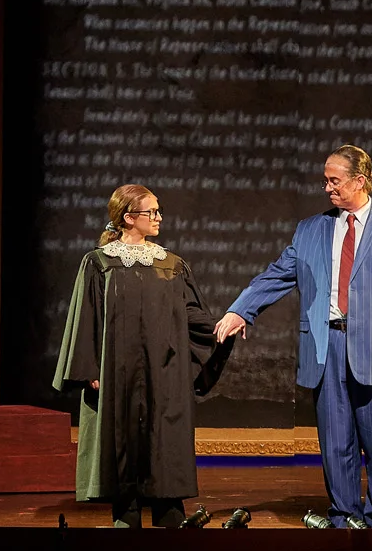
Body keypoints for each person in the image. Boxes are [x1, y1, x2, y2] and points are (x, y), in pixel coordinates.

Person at [214, 145, 372, 528]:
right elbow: (276, 275)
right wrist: (239, 309)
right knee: (335, 445)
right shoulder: (312, 228)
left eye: (335, 180)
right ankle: (344, 519)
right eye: (325, 180)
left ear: (360, 181)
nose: (327, 188)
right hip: (326, 349)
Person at [53, 184, 233, 528]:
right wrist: (88, 368)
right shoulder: (99, 263)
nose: (159, 218)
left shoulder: (171, 264)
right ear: (128, 217)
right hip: (116, 375)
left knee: (164, 441)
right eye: (152, 212)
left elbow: (192, 316)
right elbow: (85, 317)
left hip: (164, 375)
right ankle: (127, 521)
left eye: (158, 211)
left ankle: (170, 521)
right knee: (123, 447)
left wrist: (224, 326)